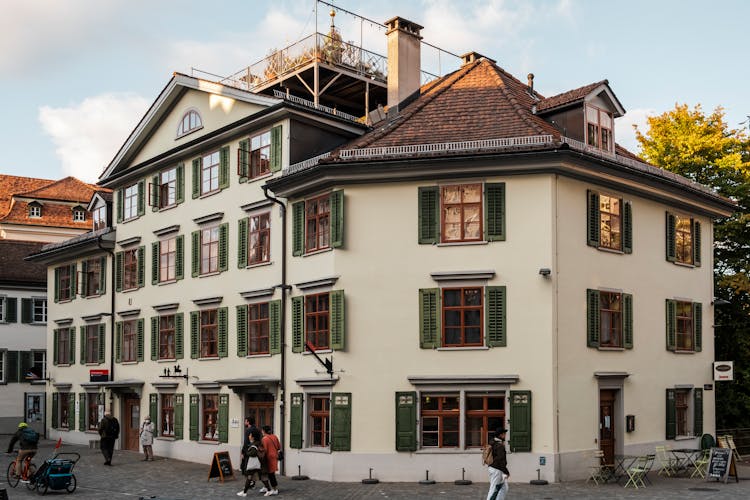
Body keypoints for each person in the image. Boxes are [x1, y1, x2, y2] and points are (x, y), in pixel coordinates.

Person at [238, 428, 265, 497]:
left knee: (250, 477)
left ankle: (244, 492)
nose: (249, 436)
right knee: (261, 477)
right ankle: (268, 489)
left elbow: (253, 453)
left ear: (253, 436)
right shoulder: (256, 443)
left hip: (254, 464)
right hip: (257, 464)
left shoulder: (254, 444)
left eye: (250, 435)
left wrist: (246, 453)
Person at [487, 427, 510, 500]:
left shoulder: (492, 442)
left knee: (504, 487)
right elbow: (500, 460)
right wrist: (506, 472)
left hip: (494, 468)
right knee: (493, 488)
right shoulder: (500, 446)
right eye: (504, 434)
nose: (505, 435)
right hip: (497, 469)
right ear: (500, 435)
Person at [259, 425, 280, 496]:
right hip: (274, 457)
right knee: (269, 473)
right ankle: (266, 487)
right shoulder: (274, 436)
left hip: (268, 458)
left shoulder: (264, 439)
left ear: (264, 431)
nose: (261, 432)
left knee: (270, 474)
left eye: (262, 430)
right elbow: (278, 447)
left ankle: (275, 489)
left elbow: (264, 450)